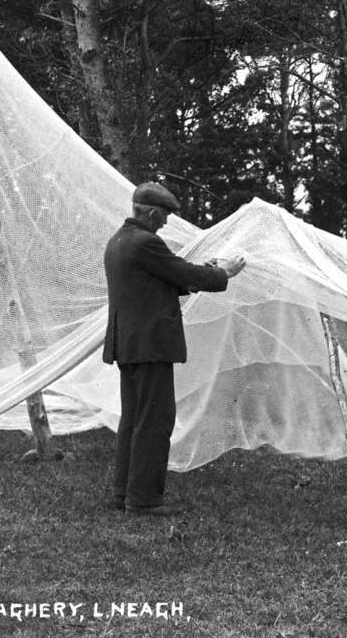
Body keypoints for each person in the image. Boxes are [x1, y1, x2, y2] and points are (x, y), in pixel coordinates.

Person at [103, 182, 245, 517]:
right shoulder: (146, 242)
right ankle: (144, 500)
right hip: (150, 345)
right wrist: (223, 273)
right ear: (151, 212)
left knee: (134, 419)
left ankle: (123, 492)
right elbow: (178, 271)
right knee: (155, 421)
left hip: (130, 344)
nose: (166, 222)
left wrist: (203, 270)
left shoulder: (119, 241)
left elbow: (164, 279)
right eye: (164, 215)